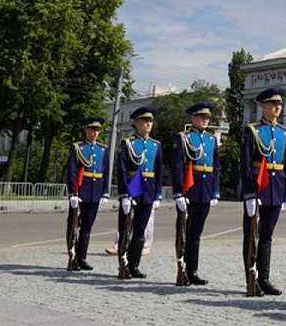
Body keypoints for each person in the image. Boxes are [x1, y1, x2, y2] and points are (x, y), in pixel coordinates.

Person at [240, 87, 286, 296]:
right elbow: (245, 164)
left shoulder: (284, 132)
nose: (277, 107)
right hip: (257, 188)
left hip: (276, 187)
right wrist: (249, 193)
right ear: (263, 106)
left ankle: (264, 278)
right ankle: (251, 278)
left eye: (279, 104)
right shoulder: (252, 130)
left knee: (267, 236)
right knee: (252, 234)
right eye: (272, 104)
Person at [171, 101, 221, 285]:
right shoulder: (183, 137)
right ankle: (182, 269)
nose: (206, 120)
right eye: (202, 117)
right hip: (189, 189)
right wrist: (178, 192)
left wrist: (215, 191)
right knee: (184, 231)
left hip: (205, 189)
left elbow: (216, 167)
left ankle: (193, 271)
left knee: (196, 233)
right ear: (193, 118)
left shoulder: (211, 139)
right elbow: (177, 166)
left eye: (208, 117)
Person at [116, 106, 163, 279]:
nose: (148, 124)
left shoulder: (155, 145)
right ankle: (123, 264)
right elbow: (121, 170)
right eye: (144, 121)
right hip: (133, 185)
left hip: (148, 187)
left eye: (150, 121)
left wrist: (157, 194)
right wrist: (124, 194)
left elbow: (158, 170)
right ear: (136, 123)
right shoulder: (128, 143)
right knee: (125, 228)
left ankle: (134, 265)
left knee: (140, 231)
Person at [65, 116, 110, 271]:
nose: (94, 133)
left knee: (87, 227)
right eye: (92, 129)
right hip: (81, 190)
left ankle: (82, 258)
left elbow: (105, 172)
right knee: (74, 225)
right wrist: (73, 192)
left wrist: (105, 192)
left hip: (95, 191)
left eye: (97, 130)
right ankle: (72, 257)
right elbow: (72, 170)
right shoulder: (78, 148)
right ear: (86, 130)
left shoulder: (102, 149)